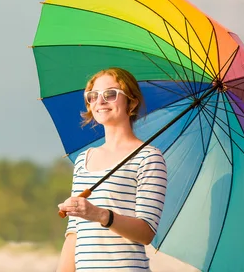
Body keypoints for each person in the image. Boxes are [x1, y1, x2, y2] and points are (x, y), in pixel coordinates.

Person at [56, 67, 168, 272]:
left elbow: (146, 232)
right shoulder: (84, 159)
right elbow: (74, 233)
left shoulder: (148, 157)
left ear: (131, 102)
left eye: (110, 94)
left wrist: (100, 215)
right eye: (93, 96)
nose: (100, 101)